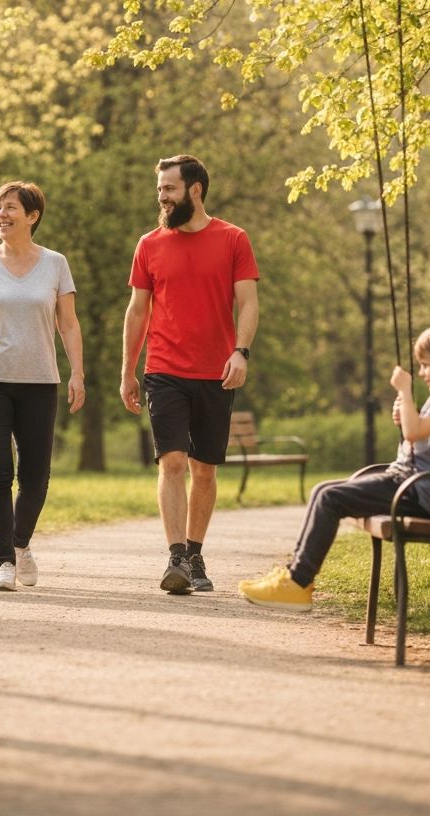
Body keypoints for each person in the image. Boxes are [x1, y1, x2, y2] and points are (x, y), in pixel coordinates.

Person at [238, 319, 430, 611]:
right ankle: (294, 575)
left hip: (415, 492)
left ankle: (298, 583)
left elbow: (415, 432)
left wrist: (405, 394)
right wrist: (406, 414)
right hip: (406, 483)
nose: (421, 373)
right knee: (322, 489)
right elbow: (417, 433)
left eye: (426, 365)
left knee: (330, 498)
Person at [121, 154, 259, 595]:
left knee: (204, 469)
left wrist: (241, 352)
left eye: (169, 188)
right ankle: (176, 556)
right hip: (164, 369)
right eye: (160, 188)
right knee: (173, 462)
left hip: (217, 371)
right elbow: (137, 311)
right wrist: (128, 371)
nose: (161, 196)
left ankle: (196, 553)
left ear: (194, 190)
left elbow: (249, 303)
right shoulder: (149, 244)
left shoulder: (233, 238)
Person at [0, 181, 85, 592]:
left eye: (10, 208)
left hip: (40, 381)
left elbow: (69, 323)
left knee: (36, 476)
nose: (1, 215)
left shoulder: (55, 264)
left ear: (32, 216)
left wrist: (77, 373)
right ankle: (4, 561)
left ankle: (20, 543)